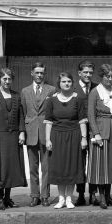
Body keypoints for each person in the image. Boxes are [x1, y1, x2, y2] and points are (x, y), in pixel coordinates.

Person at [0, 68, 26, 210]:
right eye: (4, 79)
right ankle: (0, 198)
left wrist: (22, 132)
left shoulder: (16, 95)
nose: (7, 81)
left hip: (13, 136)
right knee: (0, 168)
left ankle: (8, 197)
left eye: (9, 79)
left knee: (11, 167)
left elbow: (21, 115)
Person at [45, 71, 87, 209]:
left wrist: (83, 138)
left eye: (69, 81)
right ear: (59, 83)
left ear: (72, 83)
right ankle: (61, 198)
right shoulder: (51, 100)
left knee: (71, 167)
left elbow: (82, 121)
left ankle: (69, 198)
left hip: (74, 136)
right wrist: (48, 140)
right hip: (57, 137)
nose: (66, 83)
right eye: (64, 81)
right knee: (60, 168)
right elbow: (49, 122)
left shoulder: (78, 99)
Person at [87, 63, 112, 209]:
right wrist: (96, 133)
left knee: (111, 164)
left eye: (111, 76)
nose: (109, 79)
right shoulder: (95, 92)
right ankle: (102, 196)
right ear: (101, 77)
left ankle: (108, 196)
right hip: (102, 130)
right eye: (106, 76)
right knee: (101, 166)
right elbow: (91, 115)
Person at [20, 62, 56, 207]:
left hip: (46, 133)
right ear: (32, 73)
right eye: (37, 72)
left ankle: (45, 195)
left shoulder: (51, 90)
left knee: (46, 168)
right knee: (32, 168)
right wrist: (22, 132)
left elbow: (53, 112)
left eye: (42, 73)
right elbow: (23, 113)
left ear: (44, 74)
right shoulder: (25, 91)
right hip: (31, 132)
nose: (39, 75)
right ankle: (34, 195)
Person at [72, 60, 96, 206]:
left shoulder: (97, 87)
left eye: (90, 73)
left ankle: (93, 193)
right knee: (79, 163)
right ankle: (80, 194)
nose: (88, 75)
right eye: (85, 72)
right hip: (77, 130)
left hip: (94, 131)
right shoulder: (72, 88)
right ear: (79, 73)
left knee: (94, 163)